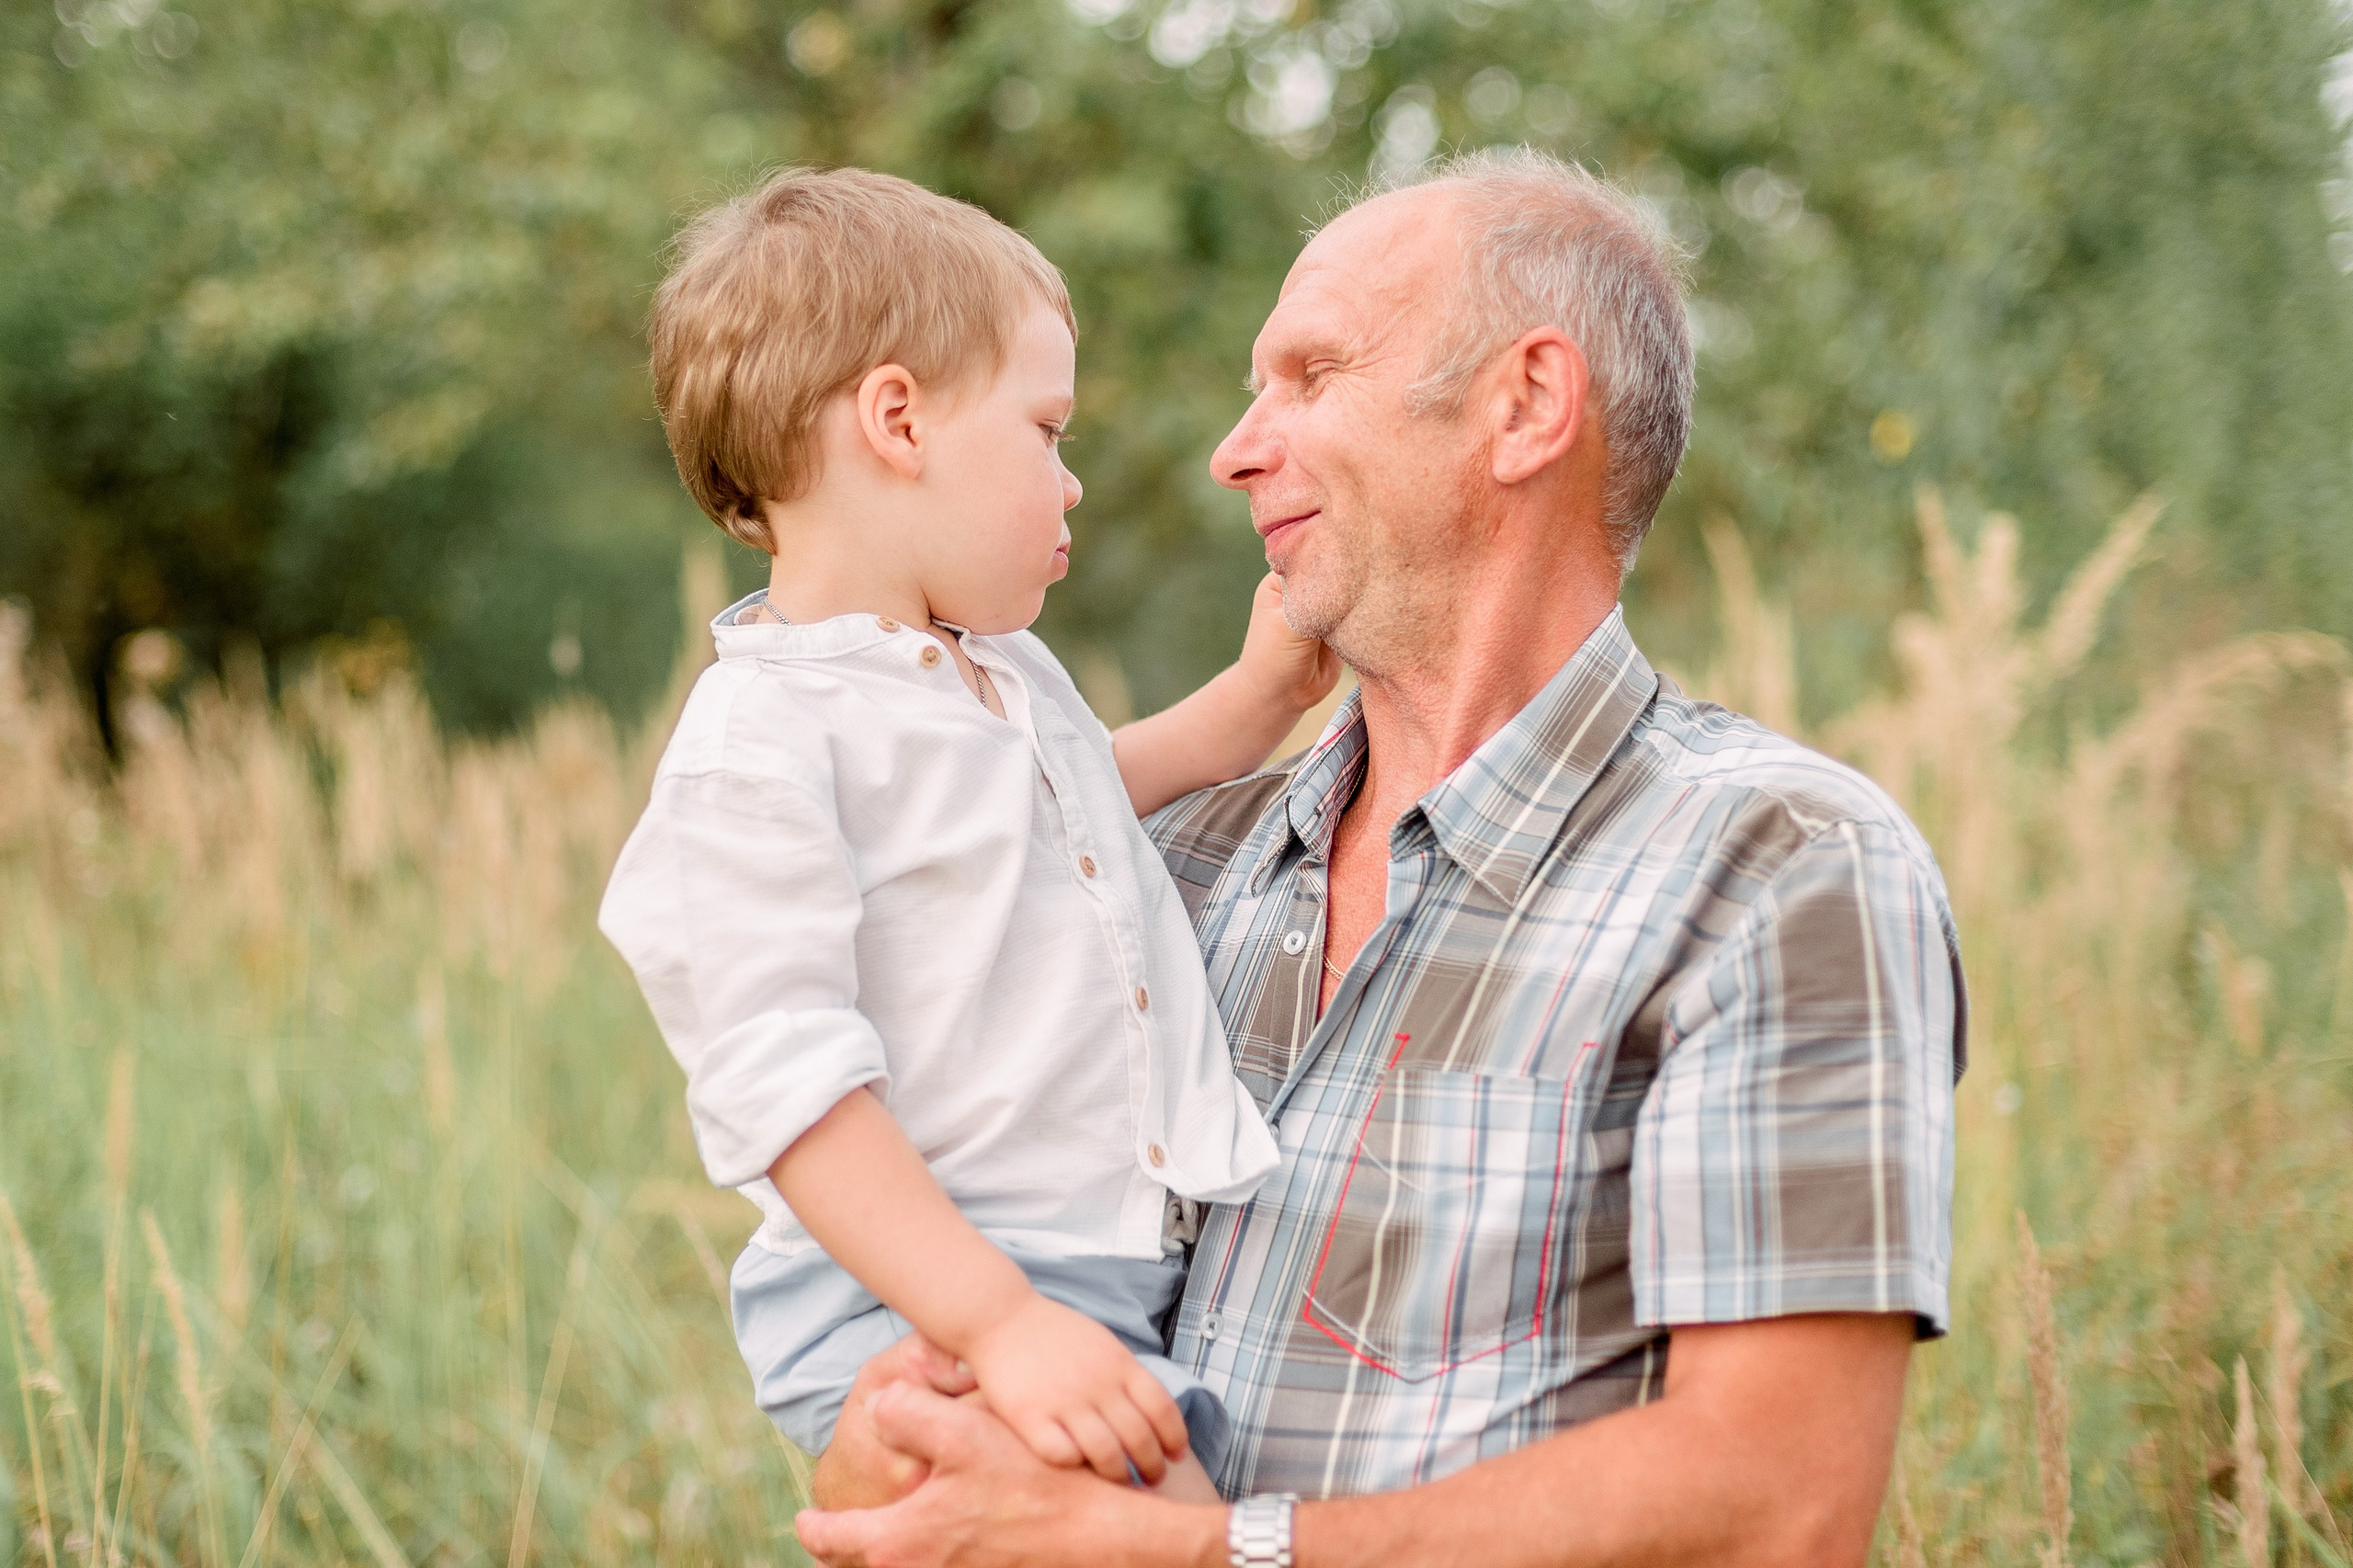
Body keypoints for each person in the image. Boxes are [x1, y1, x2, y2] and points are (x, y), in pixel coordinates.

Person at [792, 147, 1967, 1568]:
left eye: (1309, 374)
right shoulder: (1160, 862)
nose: (1235, 449)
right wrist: (883, 1438)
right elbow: (948, 1307)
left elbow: (1778, 1502)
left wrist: (1201, 1552)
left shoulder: (1777, 867)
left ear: (1524, 405)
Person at [598, 167, 1342, 1503]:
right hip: (922, 1293)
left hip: (1083, 1274)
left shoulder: (995, 670)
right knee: (1165, 1525)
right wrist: (993, 1319)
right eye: (1047, 430)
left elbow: (1075, 807)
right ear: (898, 419)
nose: (1070, 484)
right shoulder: (759, 742)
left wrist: (1258, 700)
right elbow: (791, 1088)